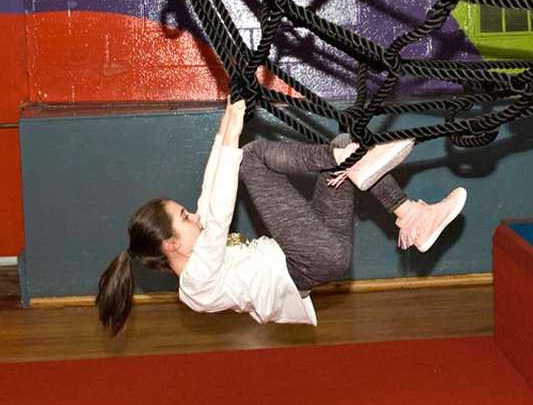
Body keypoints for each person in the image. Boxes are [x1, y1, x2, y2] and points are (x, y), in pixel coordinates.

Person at [96, 98, 467, 336]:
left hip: (323, 250)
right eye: (184, 216)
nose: (193, 215)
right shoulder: (194, 284)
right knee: (253, 156)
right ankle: (349, 161)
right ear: (170, 243)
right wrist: (237, 126)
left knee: (342, 148)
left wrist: (229, 110)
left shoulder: (199, 250)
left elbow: (211, 191)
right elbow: (221, 211)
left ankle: (411, 217)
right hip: (305, 262)